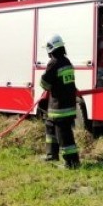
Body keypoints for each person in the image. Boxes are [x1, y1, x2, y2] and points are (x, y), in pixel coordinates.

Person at [39, 34, 80, 169]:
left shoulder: (54, 62)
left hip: (59, 107)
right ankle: (52, 154)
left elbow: (45, 83)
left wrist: (46, 84)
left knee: (64, 134)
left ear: (51, 49)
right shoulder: (66, 62)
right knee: (50, 126)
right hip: (67, 104)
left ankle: (72, 162)